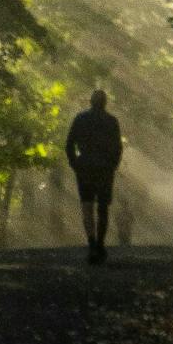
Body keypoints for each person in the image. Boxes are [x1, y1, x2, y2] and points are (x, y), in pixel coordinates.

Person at [65, 89, 123, 263]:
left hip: (85, 168)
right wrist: (113, 165)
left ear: (90, 102)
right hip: (105, 168)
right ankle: (100, 244)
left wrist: (75, 163)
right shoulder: (112, 121)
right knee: (103, 207)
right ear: (105, 103)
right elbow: (118, 147)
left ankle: (91, 244)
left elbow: (69, 144)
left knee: (87, 206)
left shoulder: (80, 119)